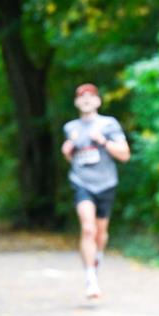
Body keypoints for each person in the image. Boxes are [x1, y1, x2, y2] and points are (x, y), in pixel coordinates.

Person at [61, 83, 131, 299]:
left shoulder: (109, 124)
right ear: (76, 102)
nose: (86, 99)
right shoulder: (70, 128)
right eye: (82, 96)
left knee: (100, 233)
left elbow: (125, 154)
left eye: (91, 96)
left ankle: (97, 255)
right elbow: (73, 158)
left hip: (106, 183)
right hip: (82, 183)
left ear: (98, 101)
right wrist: (67, 152)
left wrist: (103, 141)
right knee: (88, 228)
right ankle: (91, 278)